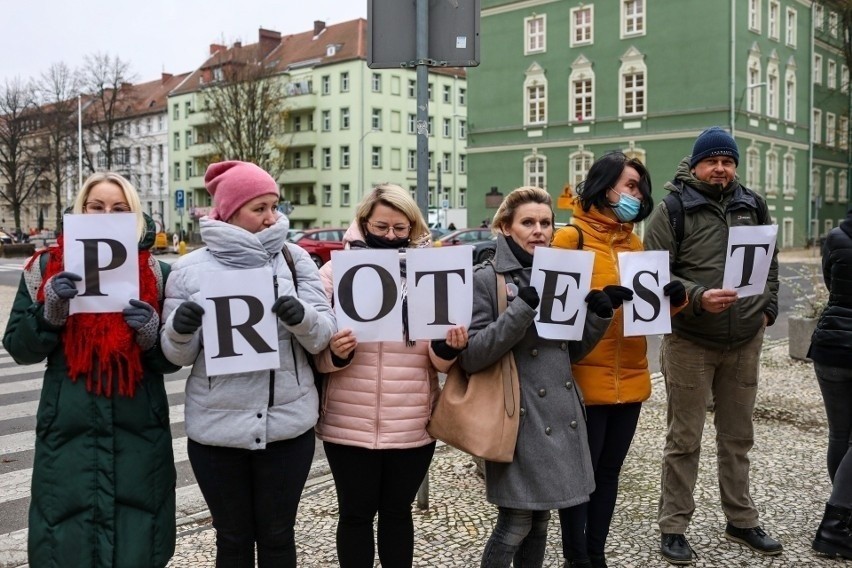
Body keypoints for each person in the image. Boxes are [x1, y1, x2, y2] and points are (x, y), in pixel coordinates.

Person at [159, 161, 336, 568]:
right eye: (260, 208)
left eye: (274, 205)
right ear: (230, 210)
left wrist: (301, 317)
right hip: (218, 432)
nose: (272, 217)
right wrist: (180, 331)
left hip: (288, 428)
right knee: (232, 540)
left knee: (278, 537)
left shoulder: (294, 260)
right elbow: (176, 357)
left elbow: (324, 332)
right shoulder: (188, 270)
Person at [3, 172, 179, 567]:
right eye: (95, 207)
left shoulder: (157, 273)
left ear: (133, 216)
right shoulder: (45, 267)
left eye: (118, 208)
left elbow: (172, 359)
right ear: (80, 210)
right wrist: (49, 313)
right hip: (69, 428)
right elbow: (18, 347)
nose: (105, 215)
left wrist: (152, 334)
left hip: (140, 428)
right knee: (67, 544)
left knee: (137, 546)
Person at [643, 127, 781, 564]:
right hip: (690, 341)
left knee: (738, 438)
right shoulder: (672, 209)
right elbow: (653, 274)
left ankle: (741, 519)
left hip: (744, 340)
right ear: (696, 164)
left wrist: (767, 312)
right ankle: (674, 526)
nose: (720, 168)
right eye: (712, 161)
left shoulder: (752, 204)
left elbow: (770, 263)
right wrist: (698, 296)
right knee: (684, 440)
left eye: (728, 161)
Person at [314, 183, 468, 568]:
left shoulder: (433, 274)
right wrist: (334, 353)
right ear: (364, 222)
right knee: (354, 514)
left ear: (414, 228)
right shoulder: (333, 273)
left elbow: (438, 362)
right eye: (382, 227)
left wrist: (448, 348)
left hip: (412, 419)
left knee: (398, 514)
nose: (391, 237)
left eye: (401, 229)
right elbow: (312, 351)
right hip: (348, 420)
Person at [459, 185, 613, 568]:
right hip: (518, 416)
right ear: (507, 227)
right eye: (528, 222)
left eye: (545, 222)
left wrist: (596, 318)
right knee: (515, 522)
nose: (539, 230)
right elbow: (473, 355)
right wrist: (521, 309)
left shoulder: (562, 272)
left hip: (560, 415)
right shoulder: (486, 278)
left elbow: (567, 354)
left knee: (541, 521)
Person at [552, 153, 687, 568]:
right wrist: (597, 308)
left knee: (608, 476)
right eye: (630, 185)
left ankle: (597, 554)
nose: (637, 195)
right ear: (605, 185)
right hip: (582, 386)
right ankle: (577, 558)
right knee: (580, 482)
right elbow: (551, 320)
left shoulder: (635, 244)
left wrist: (674, 301)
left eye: (640, 188)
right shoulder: (569, 239)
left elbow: (646, 316)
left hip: (629, 383)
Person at [808, 205, 852, 560]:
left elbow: (831, 284)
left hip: (830, 345)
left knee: (840, 434)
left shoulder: (836, 237)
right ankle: (836, 525)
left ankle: (842, 515)